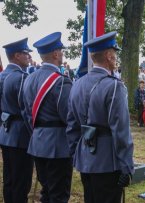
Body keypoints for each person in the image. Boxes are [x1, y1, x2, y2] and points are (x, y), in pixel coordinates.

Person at [66, 31, 134, 202]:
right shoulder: (114, 86)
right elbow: (121, 130)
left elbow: (72, 125)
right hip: (107, 162)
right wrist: (126, 165)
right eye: (115, 54)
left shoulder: (77, 84)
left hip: (85, 158)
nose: (116, 58)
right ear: (108, 56)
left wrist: (77, 153)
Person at [23, 32, 73, 203]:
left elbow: (26, 113)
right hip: (58, 147)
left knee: (47, 192)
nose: (62, 54)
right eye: (61, 51)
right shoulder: (60, 81)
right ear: (55, 54)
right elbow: (69, 117)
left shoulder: (29, 79)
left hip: (37, 142)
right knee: (59, 194)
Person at [0, 38, 33, 203]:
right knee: (21, 182)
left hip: (5, 132)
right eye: (26, 53)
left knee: (9, 180)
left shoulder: (2, 75)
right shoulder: (20, 78)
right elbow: (26, 110)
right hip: (21, 135)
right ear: (17, 55)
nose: (29, 56)